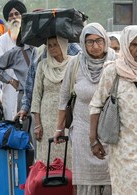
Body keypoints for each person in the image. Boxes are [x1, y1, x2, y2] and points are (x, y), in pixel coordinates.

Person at [90, 25, 137, 195]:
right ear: (125, 46)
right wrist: (93, 140)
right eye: (134, 45)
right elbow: (96, 105)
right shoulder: (113, 72)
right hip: (125, 151)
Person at [53, 23, 117, 195]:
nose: (95, 46)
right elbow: (64, 97)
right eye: (90, 42)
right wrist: (59, 128)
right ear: (83, 43)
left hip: (112, 133)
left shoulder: (117, 62)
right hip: (82, 133)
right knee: (86, 185)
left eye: (99, 41)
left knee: (113, 181)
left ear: (105, 41)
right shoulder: (75, 64)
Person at [30, 36, 72, 166]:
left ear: (64, 45)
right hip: (46, 118)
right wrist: (37, 124)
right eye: (50, 45)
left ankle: (69, 185)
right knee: (48, 155)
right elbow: (36, 95)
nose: (52, 48)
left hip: (68, 116)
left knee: (69, 153)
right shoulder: (43, 66)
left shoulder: (73, 63)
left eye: (56, 44)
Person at [0, 0, 27, 120]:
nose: (14, 17)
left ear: (22, 16)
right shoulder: (2, 41)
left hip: (30, 88)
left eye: (17, 14)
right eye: (11, 15)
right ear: (7, 19)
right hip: (11, 90)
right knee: (13, 122)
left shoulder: (31, 37)